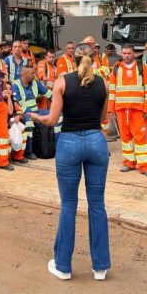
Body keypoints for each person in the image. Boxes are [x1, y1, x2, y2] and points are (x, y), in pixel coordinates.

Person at [30, 42, 110, 281]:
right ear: (95, 59)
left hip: (70, 143)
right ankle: (100, 267)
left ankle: (63, 266)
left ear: (72, 59)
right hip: (97, 141)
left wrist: (37, 117)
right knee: (97, 204)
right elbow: (104, 117)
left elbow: (52, 120)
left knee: (68, 204)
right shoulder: (103, 83)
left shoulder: (62, 82)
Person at [108, 44, 147, 178]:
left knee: (140, 137)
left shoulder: (142, 67)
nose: (126, 56)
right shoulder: (116, 68)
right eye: (124, 53)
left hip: (138, 109)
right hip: (121, 109)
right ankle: (129, 162)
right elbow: (112, 90)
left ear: (134, 53)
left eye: (129, 53)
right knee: (125, 137)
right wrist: (110, 109)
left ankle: (144, 166)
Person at [12, 65, 52, 162]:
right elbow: (17, 104)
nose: (34, 75)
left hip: (36, 111)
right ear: (23, 74)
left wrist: (58, 102)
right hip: (22, 113)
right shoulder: (15, 85)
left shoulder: (35, 83)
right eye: (32, 73)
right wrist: (32, 115)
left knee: (57, 115)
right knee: (29, 122)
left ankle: (56, 147)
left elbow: (49, 94)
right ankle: (28, 151)